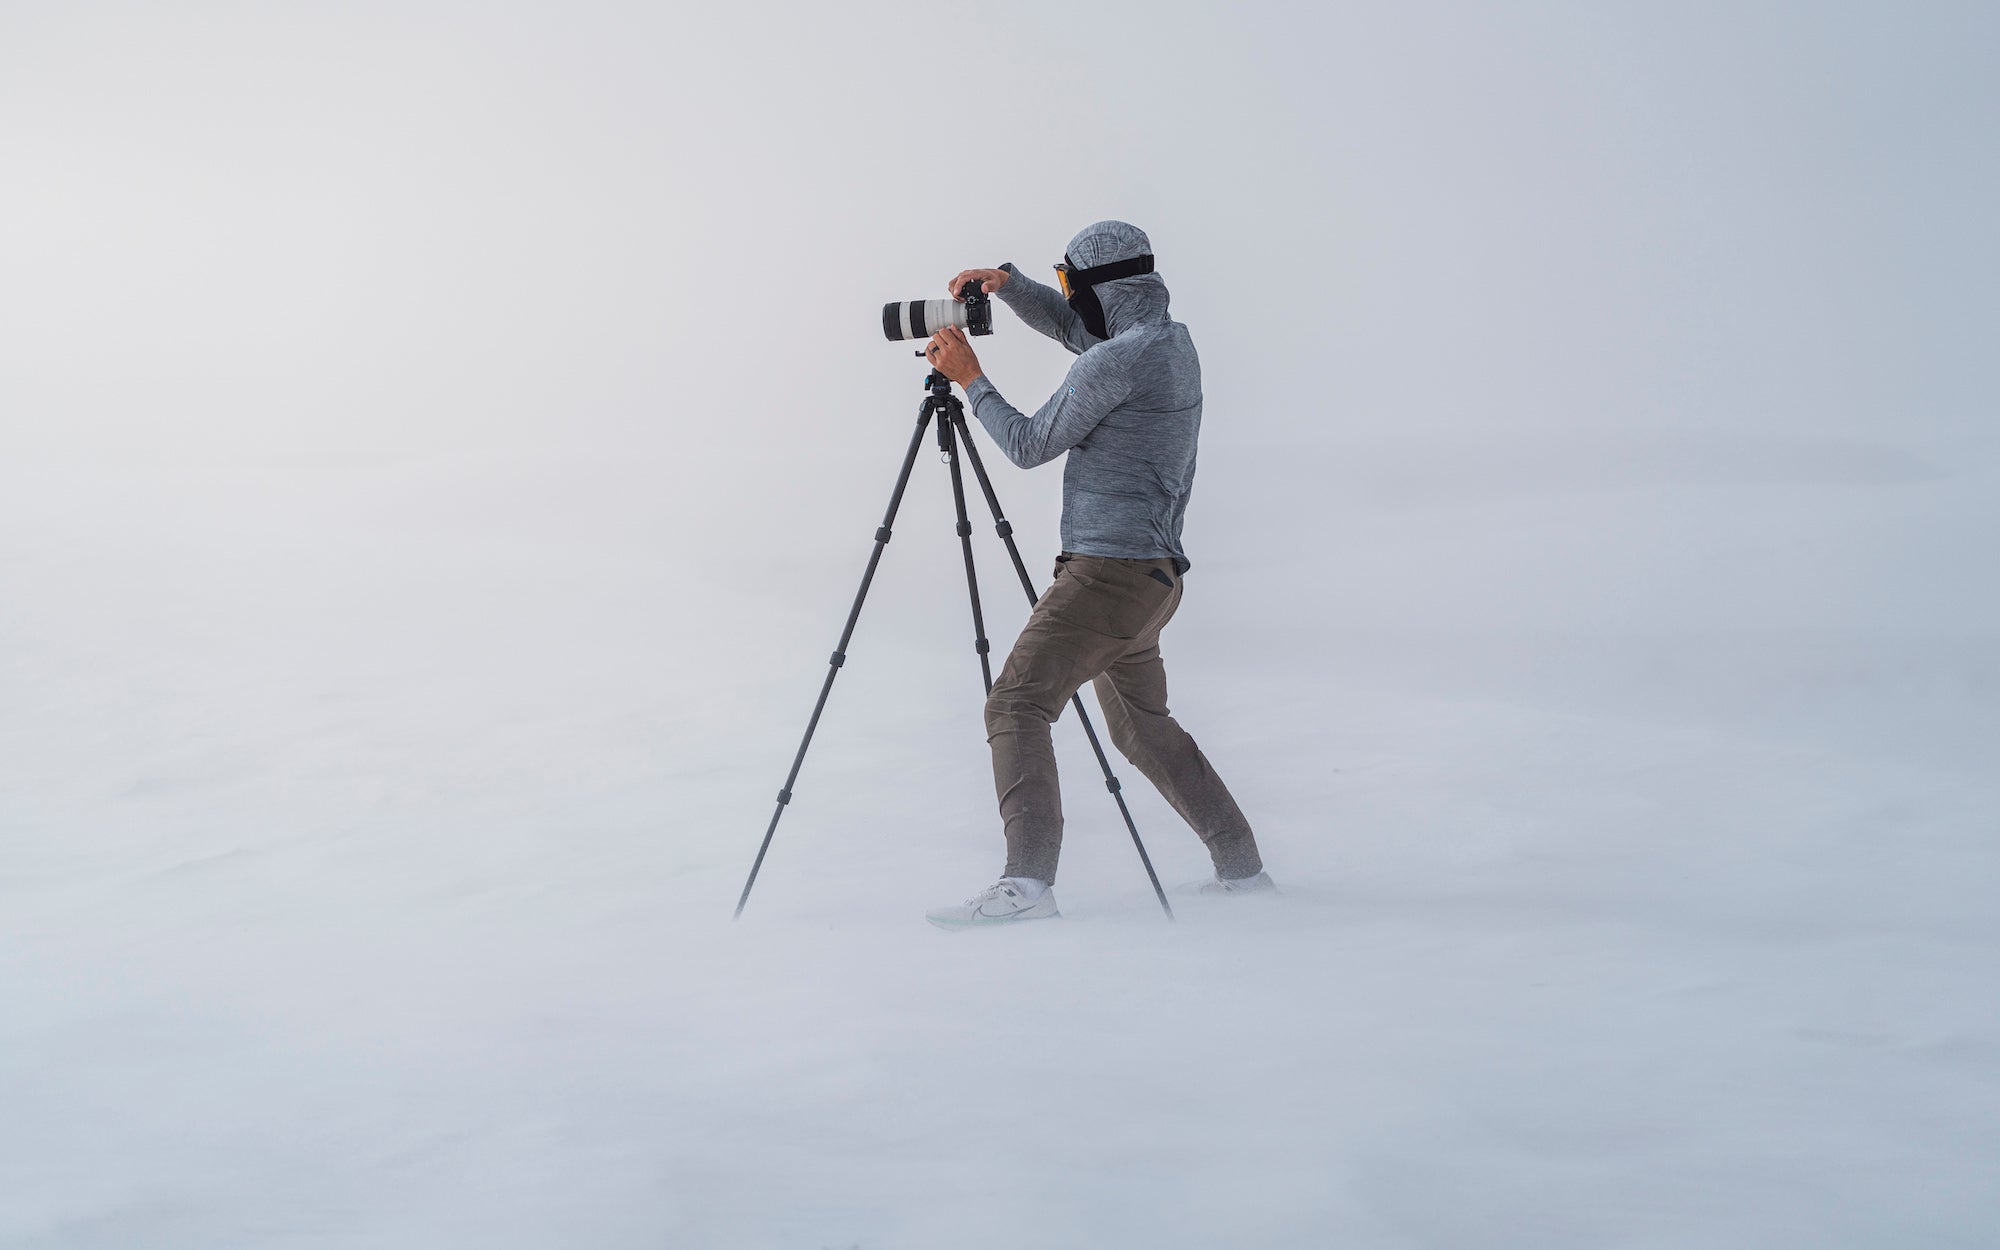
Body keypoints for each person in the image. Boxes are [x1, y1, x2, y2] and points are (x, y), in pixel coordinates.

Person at [919, 220, 1274, 929]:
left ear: (1097, 287)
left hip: (1106, 578)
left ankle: (1026, 886)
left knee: (1015, 706)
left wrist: (971, 380)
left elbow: (1027, 444)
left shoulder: (1115, 362)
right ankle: (1243, 870)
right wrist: (1011, 286)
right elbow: (1082, 334)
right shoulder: (1167, 344)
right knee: (1144, 730)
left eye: (1068, 283)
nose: (1068, 296)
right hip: (1152, 579)